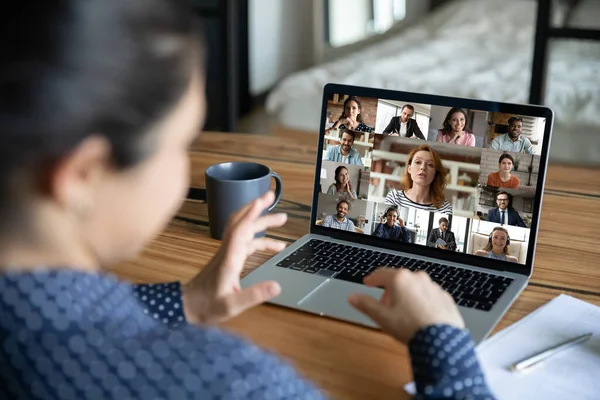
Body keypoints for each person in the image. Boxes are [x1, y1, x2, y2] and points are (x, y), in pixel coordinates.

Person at [0, 2, 496, 399]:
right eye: (182, 143)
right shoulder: (228, 379)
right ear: (82, 176)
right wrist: (444, 344)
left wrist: (186, 302)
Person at [386, 144, 453, 214]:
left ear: (435, 174)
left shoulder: (444, 208)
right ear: (409, 169)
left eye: (430, 164)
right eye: (418, 162)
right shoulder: (394, 197)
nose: (423, 167)